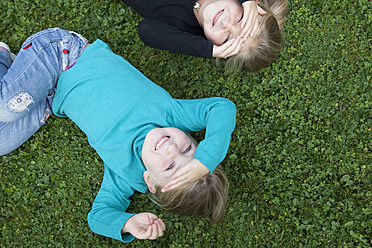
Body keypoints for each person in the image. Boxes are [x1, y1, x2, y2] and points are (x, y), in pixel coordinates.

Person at [0, 28, 235, 242]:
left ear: (150, 182)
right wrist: (208, 158)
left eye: (171, 165)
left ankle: (15, 72)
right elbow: (222, 108)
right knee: (6, 109)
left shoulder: (124, 174)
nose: (172, 148)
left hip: (50, 99)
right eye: (189, 150)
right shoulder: (173, 115)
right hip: (64, 56)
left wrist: (126, 223)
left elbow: (99, 216)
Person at [121, 0, 288, 72]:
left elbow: (147, 30)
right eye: (240, 20)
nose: (225, 24)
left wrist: (207, 50)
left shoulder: (184, 30)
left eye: (227, 39)